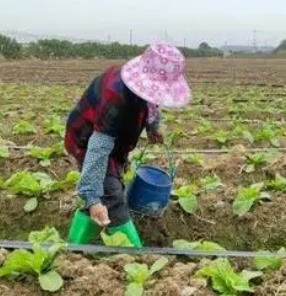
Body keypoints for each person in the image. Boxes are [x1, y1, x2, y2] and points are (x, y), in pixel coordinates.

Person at [65, 43, 191, 247]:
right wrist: (92, 198)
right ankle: (134, 256)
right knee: (111, 194)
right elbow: (97, 149)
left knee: (109, 187)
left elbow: (151, 105)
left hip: (114, 143)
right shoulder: (116, 96)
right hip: (87, 139)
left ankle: (76, 245)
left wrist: (153, 127)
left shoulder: (142, 88)